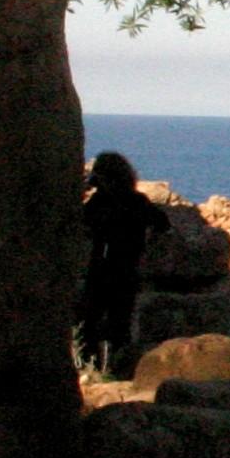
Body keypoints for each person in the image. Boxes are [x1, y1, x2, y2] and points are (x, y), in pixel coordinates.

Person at [76, 150, 169, 374]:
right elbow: (162, 223)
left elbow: (80, 222)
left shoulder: (100, 202)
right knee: (118, 322)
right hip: (126, 267)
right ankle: (119, 366)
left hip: (102, 268)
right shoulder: (136, 201)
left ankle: (95, 365)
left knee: (93, 321)